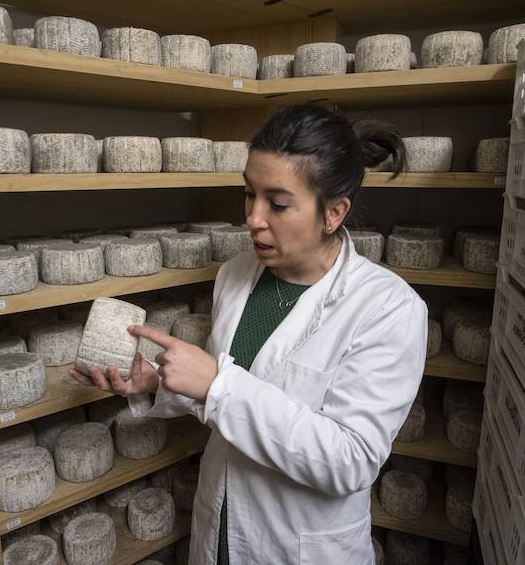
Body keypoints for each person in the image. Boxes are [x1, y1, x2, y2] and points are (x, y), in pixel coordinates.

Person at [70, 104, 428, 564]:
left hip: (296, 544)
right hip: (219, 523)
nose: (253, 218)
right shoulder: (237, 274)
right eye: (248, 194)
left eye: (277, 204)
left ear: (334, 212)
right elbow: (228, 400)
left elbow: (351, 460)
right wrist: (158, 385)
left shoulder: (388, 308)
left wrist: (218, 385)